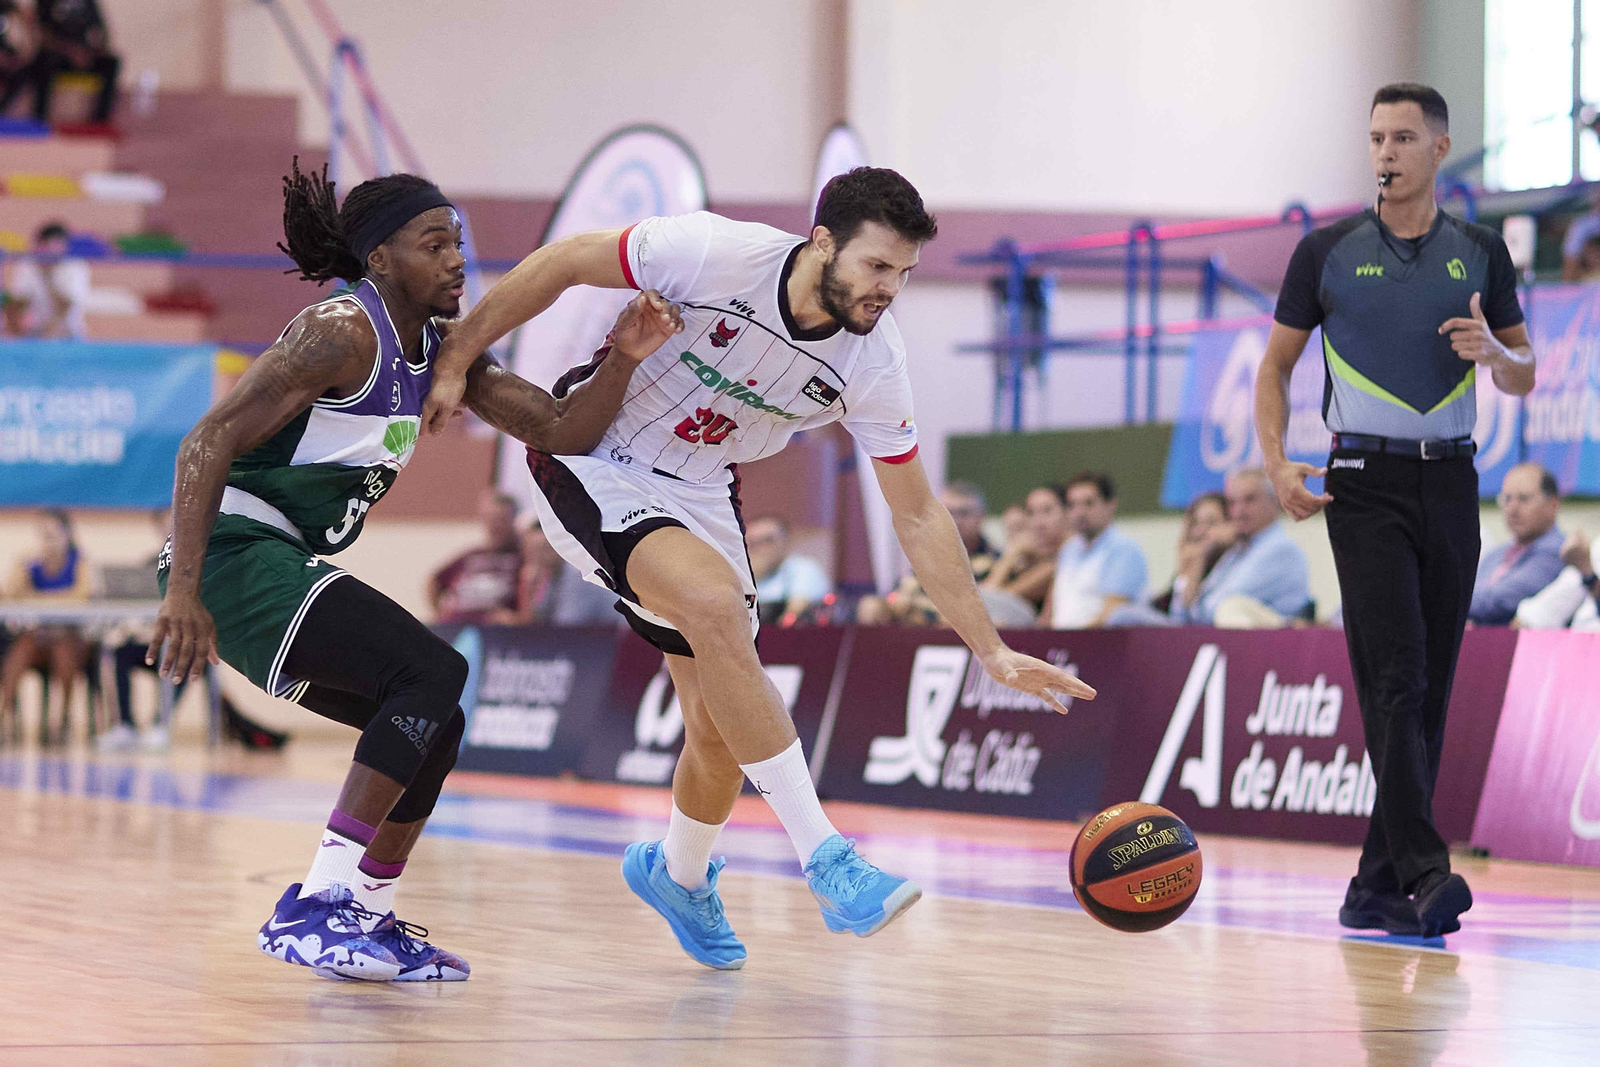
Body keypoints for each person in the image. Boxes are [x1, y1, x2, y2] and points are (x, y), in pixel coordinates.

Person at [421, 166, 1096, 970]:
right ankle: (828, 858)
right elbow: (566, 259)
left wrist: (989, 646)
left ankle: (678, 874)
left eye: (905, 273)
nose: (889, 288)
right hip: (598, 451)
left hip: (702, 487)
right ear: (823, 242)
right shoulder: (714, 252)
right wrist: (458, 353)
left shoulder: (874, 363)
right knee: (713, 607)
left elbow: (917, 512)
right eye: (877, 265)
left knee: (717, 730)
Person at [146, 159, 681, 983]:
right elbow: (207, 439)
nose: (457, 259)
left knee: (434, 718)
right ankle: (319, 904)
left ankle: (366, 910)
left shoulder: (440, 350)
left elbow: (560, 428)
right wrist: (182, 589)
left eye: (458, 241)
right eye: (434, 244)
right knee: (431, 670)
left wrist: (625, 356)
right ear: (381, 260)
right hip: (231, 550)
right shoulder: (340, 332)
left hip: (273, 559)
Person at [1256, 84, 1536, 939]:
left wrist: (1495, 354)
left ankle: (1374, 889)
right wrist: (1276, 462)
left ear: (1440, 148)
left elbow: (1525, 370)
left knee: (1430, 689)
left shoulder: (1481, 251)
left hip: (1451, 480)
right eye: (1377, 137)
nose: (1385, 151)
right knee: (1398, 675)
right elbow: (1274, 368)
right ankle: (1424, 869)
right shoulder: (1326, 251)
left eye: (1404, 137)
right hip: (1363, 482)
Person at [0, 509, 95, 745]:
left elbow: (80, 597)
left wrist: (36, 599)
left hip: (70, 636)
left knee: (64, 652)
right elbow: (11, 596)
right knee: (20, 650)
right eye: (44, 535)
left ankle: (62, 719)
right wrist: (20, 566)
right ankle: (4, 715)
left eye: (53, 534)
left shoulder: (79, 561)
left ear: (67, 535)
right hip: (40, 637)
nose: (48, 541)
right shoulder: (33, 564)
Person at [1169, 468, 1309, 626]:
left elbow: (1216, 608)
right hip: (1229, 639)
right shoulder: (1238, 549)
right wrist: (1194, 567)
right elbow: (1179, 616)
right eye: (1232, 503)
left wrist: (1192, 603)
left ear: (1275, 501)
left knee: (1230, 608)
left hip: (1275, 640)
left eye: (1249, 500)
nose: (1239, 511)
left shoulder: (1281, 550)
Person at [857, 481, 1005, 626]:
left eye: (963, 513)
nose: (955, 520)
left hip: (963, 630)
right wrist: (897, 602)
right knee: (870, 606)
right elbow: (898, 595)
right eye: (948, 512)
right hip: (918, 628)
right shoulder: (928, 557)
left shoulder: (997, 563)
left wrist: (917, 605)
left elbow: (982, 608)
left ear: (982, 516)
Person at [1106, 490, 1229, 627]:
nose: (1200, 531)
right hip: (1174, 630)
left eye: (1211, 523)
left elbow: (1188, 620)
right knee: (1124, 611)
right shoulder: (1192, 560)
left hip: (1198, 633)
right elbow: (1171, 609)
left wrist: (1194, 569)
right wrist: (1185, 571)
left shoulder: (1229, 567)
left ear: (1230, 526)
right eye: (1195, 523)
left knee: (1123, 615)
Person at [1045, 472, 1147, 629]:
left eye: (1088, 503)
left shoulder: (1124, 550)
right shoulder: (1068, 550)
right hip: (1061, 639)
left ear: (1110, 505)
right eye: (1072, 505)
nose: (1079, 512)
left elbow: (1109, 616)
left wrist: (1070, 639)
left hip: (1099, 640)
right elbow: (1052, 612)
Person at [1469, 463, 1564, 626]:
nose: (1512, 509)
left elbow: (1498, 601)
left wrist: (1447, 600)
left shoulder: (1558, 552)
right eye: (1507, 499)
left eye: (1523, 499)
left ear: (1552, 505)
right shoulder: (1495, 554)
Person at [0, 0, 119, 124]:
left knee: (111, 62)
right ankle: (38, 119)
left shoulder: (88, 3)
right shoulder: (45, 3)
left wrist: (89, 52)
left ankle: (100, 121)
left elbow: (101, 32)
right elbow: (42, 34)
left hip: (84, 55)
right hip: (57, 56)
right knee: (44, 62)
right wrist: (71, 51)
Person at [428, 489, 523, 625]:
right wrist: (440, 614)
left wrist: (517, 618)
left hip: (496, 630)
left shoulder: (522, 558)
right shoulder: (470, 556)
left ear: (513, 520)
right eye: (491, 519)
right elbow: (435, 581)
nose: (496, 525)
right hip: (456, 626)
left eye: (502, 519)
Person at [509, 519, 619, 626]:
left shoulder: (578, 575)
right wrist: (528, 593)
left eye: (544, 549)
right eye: (531, 550)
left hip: (618, 632)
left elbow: (565, 626)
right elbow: (536, 621)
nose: (537, 556)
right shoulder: (549, 576)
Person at [983, 484, 1070, 617]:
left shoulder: (1059, 562)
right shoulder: (1034, 559)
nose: (1038, 522)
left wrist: (1013, 551)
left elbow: (990, 599)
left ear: (1068, 512)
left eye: (1047, 511)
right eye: (1031, 513)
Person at [8, 222, 90, 339]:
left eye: (54, 245)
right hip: (36, 333)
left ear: (64, 247)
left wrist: (47, 275)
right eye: (44, 245)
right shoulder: (28, 265)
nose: (49, 250)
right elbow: (18, 303)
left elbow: (66, 306)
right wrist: (17, 328)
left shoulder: (74, 267)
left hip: (68, 333)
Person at [746, 516, 831, 626]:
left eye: (768, 541)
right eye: (752, 542)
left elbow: (795, 613)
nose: (760, 548)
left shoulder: (803, 568)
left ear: (786, 542)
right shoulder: (742, 575)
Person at [1514, 528, 1600, 631]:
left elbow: (1588, 574)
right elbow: (1535, 616)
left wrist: (1589, 575)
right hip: (1579, 637)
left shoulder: (1551, 549)